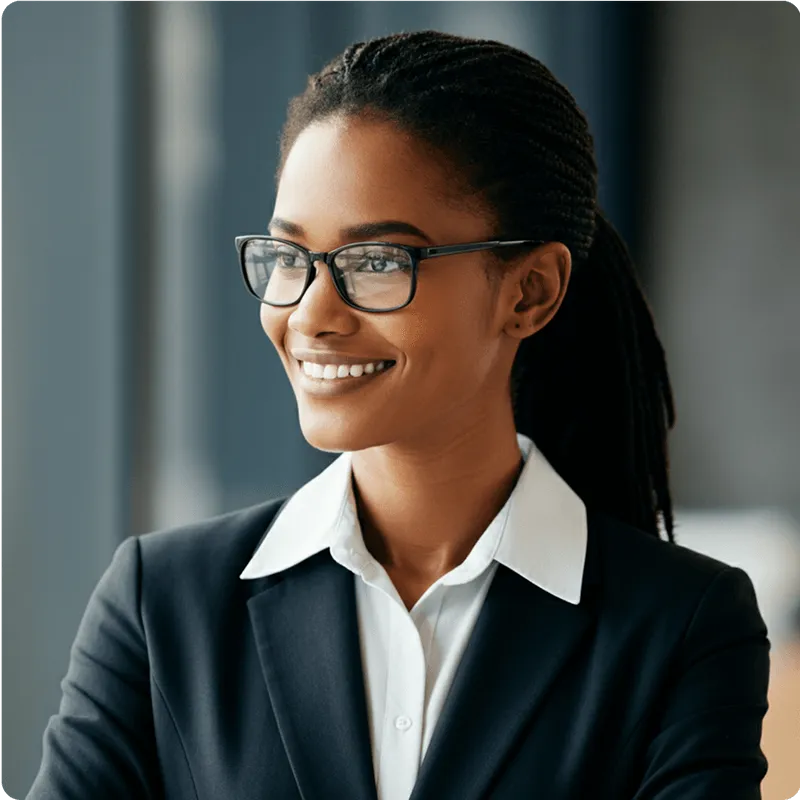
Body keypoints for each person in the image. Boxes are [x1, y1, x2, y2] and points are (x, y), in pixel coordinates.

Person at [28, 29, 770, 800]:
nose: (311, 313)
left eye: (378, 262)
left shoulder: (683, 627)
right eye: (289, 258)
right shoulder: (163, 607)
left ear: (530, 292)